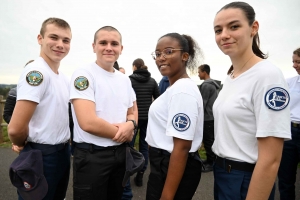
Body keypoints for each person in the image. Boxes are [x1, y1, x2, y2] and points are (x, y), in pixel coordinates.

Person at [212, 2, 291, 199]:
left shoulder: (267, 76)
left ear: (253, 28)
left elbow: (271, 159)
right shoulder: (231, 77)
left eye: (234, 26)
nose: (224, 35)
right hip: (223, 174)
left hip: (245, 179)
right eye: (218, 30)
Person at [8, 17, 72, 200]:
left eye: (66, 40)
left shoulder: (62, 78)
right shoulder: (37, 73)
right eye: (54, 37)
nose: (60, 44)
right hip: (42, 154)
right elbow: (15, 128)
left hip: (62, 152)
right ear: (40, 38)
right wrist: (22, 144)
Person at [70, 26, 136, 200]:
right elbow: (88, 122)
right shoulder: (83, 75)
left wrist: (131, 124)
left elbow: (132, 110)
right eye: (103, 43)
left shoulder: (125, 80)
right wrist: (124, 133)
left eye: (114, 43)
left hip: (120, 154)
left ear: (121, 49)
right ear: (94, 46)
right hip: (92, 156)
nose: (109, 47)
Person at [145, 33, 203, 200]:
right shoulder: (175, 88)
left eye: (169, 52)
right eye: (157, 54)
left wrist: (167, 196)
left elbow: (182, 147)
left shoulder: (182, 90)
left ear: (185, 56)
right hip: (163, 163)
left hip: (171, 165)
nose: (161, 58)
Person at [129, 58, 160, 186]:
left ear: (135, 67)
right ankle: (141, 174)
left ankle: (127, 171)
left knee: (129, 146)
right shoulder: (152, 81)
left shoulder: (129, 81)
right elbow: (158, 99)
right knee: (144, 147)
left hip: (134, 118)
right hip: (147, 118)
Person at [278, 47, 300, 199]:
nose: (294, 65)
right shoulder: (289, 83)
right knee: (285, 177)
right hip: (291, 132)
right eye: (293, 61)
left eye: (298, 61)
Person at [198, 64, 220, 172]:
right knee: (210, 139)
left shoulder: (206, 85)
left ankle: (211, 163)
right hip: (212, 116)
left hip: (207, 117)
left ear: (204, 72)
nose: (198, 74)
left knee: (208, 141)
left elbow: (202, 103)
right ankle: (209, 159)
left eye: (199, 72)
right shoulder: (213, 84)